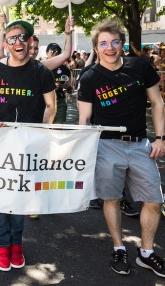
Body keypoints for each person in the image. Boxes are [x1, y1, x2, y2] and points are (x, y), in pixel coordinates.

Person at [0, 19, 56, 272]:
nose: (18, 42)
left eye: (22, 37)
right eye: (12, 38)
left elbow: (52, 106)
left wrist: (43, 133)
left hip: (27, 144)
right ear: (5, 44)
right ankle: (1, 244)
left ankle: (17, 243)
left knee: (18, 195)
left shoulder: (41, 72)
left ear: (30, 41)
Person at [78, 19, 165, 277]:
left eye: (115, 42)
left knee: (153, 200)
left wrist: (160, 138)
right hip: (106, 146)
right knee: (112, 199)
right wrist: (82, 152)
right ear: (96, 47)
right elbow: (84, 119)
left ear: (122, 43)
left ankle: (146, 253)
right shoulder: (89, 77)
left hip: (140, 145)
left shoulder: (140, 66)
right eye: (103, 43)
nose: (110, 47)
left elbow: (158, 103)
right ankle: (119, 249)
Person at [45, 43, 71, 124]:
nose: (55, 53)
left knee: (57, 131)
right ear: (47, 52)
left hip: (59, 101)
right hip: (44, 103)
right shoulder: (41, 67)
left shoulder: (65, 69)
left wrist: (65, 86)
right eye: (53, 51)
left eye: (58, 52)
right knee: (43, 130)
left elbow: (69, 88)